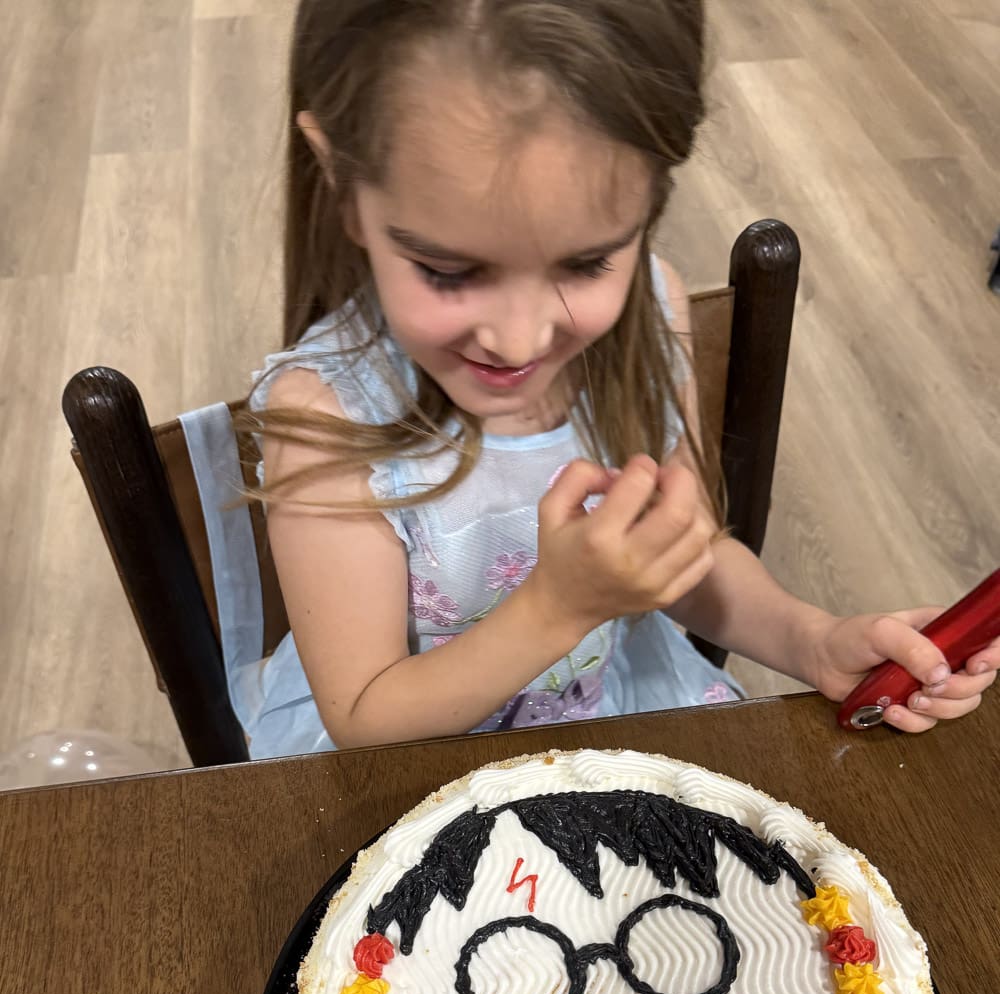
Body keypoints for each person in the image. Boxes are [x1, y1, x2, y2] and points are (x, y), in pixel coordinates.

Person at [231, 0, 998, 758]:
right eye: (448, 270)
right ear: (337, 176)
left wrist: (814, 640)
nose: (519, 338)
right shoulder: (327, 418)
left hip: (618, 720)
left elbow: (685, 560)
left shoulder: (654, 313)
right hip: (413, 770)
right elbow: (365, 714)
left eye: (588, 261)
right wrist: (558, 609)